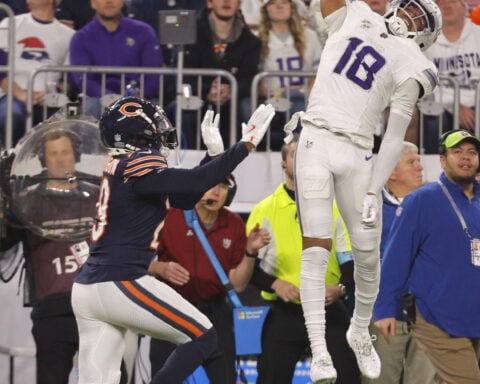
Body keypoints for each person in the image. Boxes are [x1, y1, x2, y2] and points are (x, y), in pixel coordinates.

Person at [71, 96, 275, 383]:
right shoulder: (136, 163)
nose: (160, 132)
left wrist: (213, 157)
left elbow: (186, 197)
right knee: (202, 336)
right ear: (135, 133)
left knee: (98, 378)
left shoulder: (121, 166)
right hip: (120, 280)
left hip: (88, 288)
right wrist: (245, 146)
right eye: (153, 126)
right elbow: (192, 184)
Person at [289, 0, 442, 382]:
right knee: (314, 250)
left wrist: (375, 188)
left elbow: (395, 135)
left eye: (419, 19)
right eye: (409, 8)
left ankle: (359, 330)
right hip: (316, 137)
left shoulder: (414, 62)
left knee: (368, 255)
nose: (408, 17)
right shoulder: (355, 11)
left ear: (425, 35)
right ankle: (320, 351)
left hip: (359, 149)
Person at [246, 133, 360, 384]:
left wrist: (340, 289)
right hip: (284, 311)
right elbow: (247, 268)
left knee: (348, 377)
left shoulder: (336, 207)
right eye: (297, 154)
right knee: (270, 378)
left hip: (328, 308)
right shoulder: (264, 210)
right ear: (283, 163)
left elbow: (351, 262)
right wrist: (275, 284)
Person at [0, 127, 109, 384]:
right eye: (53, 154)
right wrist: (5, 201)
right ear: (43, 160)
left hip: (99, 306)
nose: (60, 159)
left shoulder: (98, 197)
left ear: (76, 156)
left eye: (65, 152)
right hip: (52, 310)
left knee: (111, 378)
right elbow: (3, 241)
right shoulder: (27, 202)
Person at [374, 129, 480, 384]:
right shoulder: (421, 201)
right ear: (442, 160)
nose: (465, 158)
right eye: (457, 152)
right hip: (437, 316)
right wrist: (384, 308)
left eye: (472, 152)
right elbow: (395, 258)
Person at [148, 173, 270, 383]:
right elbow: (137, 262)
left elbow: (238, 284)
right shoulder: (169, 217)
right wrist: (160, 267)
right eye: (210, 185)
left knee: (224, 377)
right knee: (163, 377)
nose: (216, 191)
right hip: (171, 311)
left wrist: (250, 252)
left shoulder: (234, 224)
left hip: (214, 314)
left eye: (223, 187)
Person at [364, 142, 435, 384]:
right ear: (391, 172)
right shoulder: (370, 209)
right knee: (380, 380)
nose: (419, 166)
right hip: (385, 314)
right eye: (411, 162)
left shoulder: (434, 204)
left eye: (418, 160)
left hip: (429, 317)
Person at [172, 0, 262, 149]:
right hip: (197, 96)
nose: (226, 2)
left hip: (233, 101)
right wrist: (207, 91)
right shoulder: (189, 34)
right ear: (209, 3)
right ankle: (189, 163)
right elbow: (181, 74)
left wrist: (231, 90)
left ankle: (240, 160)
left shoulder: (251, 42)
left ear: (239, 4)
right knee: (184, 108)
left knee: (247, 108)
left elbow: (250, 78)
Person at [69, 0, 163, 119]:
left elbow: (154, 73)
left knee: (156, 115)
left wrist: (138, 95)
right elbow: (82, 78)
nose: (109, 1)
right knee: (89, 108)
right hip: (98, 100)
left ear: (123, 2)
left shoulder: (144, 32)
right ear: (93, 3)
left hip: (139, 98)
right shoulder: (81, 38)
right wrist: (111, 98)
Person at [0, 0, 74, 148]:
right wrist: (19, 93)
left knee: (64, 123)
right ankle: (12, 161)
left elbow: (71, 79)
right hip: (11, 95)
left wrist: (51, 92)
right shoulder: (10, 23)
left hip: (49, 100)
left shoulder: (69, 35)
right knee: (14, 114)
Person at [257, 0, 322, 150]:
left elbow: (318, 74)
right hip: (271, 102)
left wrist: (304, 94)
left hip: (304, 101)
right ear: (265, 9)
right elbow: (255, 81)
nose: (279, 6)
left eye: (284, 2)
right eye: (273, 2)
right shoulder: (256, 39)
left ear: (292, 7)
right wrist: (276, 93)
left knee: (296, 101)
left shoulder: (310, 37)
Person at [422, 0, 480, 153]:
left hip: (477, 101)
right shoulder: (427, 39)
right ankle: (434, 167)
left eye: (452, 1)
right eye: (441, 3)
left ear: (464, 7)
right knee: (434, 118)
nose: (447, 6)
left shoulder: (478, 33)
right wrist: (455, 106)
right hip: (443, 102)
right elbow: (426, 82)